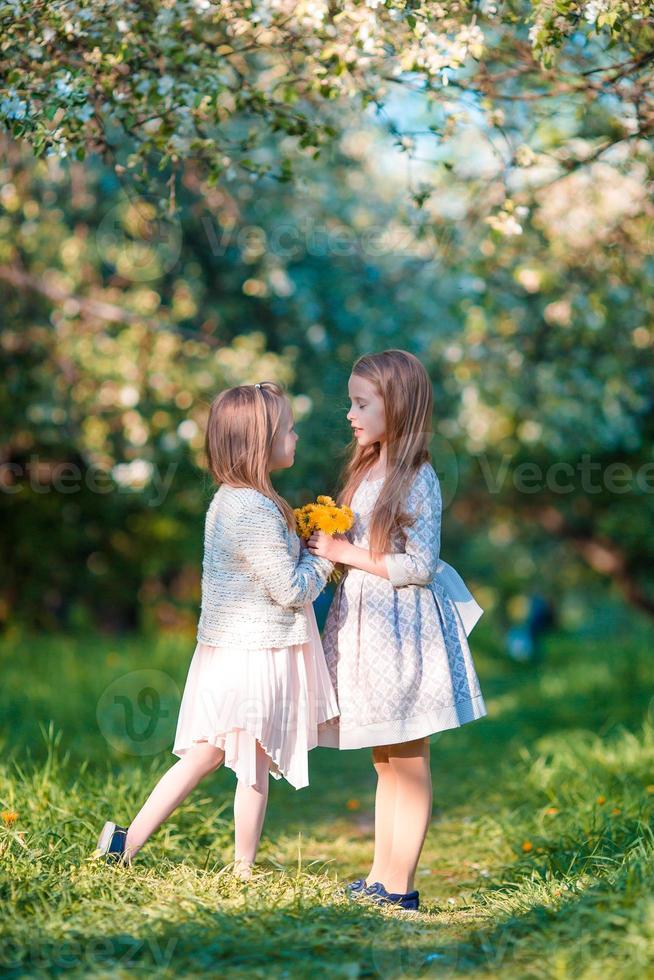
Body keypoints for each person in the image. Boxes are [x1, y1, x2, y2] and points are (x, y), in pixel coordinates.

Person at [95, 381, 338, 878]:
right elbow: (290, 589)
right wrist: (322, 557)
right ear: (260, 442)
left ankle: (125, 843)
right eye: (288, 430)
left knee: (209, 754)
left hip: (235, 648)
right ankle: (242, 869)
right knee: (249, 761)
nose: (296, 438)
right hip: (254, 650)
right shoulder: (250, 508)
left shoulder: (238, 500)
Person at [308, 350, 487, 911]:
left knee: (407, 760)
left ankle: (401, 887)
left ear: (398, 406)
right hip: (370, 630)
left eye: (362, 403)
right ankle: (381, 875)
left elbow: (420, 565)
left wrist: (345, 551)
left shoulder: (417, 477)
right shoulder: (367, 469)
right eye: (351, 403)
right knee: (385, 758)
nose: (350, 415)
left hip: (403, 633)